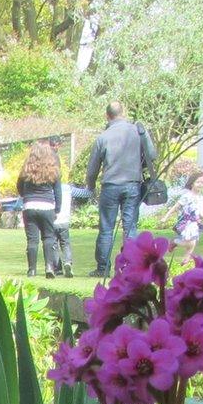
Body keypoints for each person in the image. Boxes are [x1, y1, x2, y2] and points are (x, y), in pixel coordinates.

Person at [84, 101, 157, 277]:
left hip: (110, 185)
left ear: (107, 115)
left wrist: (91, 187)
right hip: (132, 184)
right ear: (123, 112)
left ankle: (103, 268)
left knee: (106, 228)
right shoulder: (138, 131)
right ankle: (129, 267)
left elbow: (92, 169)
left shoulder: (103, 137)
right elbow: (152, 155)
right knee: (130, 228)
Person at [15, 140, 66, 278]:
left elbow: (19, 186)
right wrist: (57, 209)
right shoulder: (53, 169)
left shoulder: (26, 168)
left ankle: (32, 270)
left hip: (29, 206)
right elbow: (58, 192)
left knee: (32, 240)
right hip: (47, 206)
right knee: (49, 237)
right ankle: (49, 267)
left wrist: (26, 197)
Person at [158, 172, 203, 259]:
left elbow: (201, 211)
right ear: (192, 183)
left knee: (193, 242)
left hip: (195, 223)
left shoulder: (201, 198)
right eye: (198, 182)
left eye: (202, 182)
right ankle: (175, 242)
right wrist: (165, 217)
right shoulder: (187, 196)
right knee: (190, 242)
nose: (200, 184)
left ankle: (185, 259)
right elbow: (175, 207)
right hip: (186, 222)